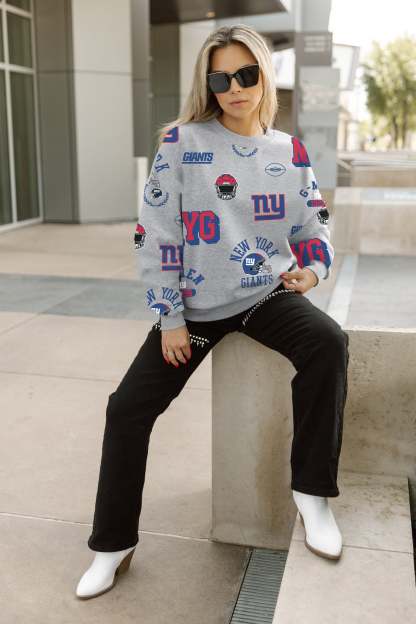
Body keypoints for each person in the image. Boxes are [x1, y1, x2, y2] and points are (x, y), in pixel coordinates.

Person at [76, 23, 349, 600]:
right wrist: (170, 316)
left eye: (245, 74)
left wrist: (313, 268)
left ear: (264, 76)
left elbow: (314, 224)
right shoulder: (182, 143)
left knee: (328, 341)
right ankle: (113, 543)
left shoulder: (289, 151)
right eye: (221, 79)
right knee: (126, 410)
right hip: (196, 311)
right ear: (208, 84)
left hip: (264, 296)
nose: (234, 88)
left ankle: (311, 494)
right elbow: (156, 233)